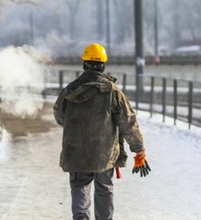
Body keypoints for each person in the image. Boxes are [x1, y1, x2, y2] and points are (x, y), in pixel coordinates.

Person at [54, 43, 151, 220]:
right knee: (104, 190)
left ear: (84, 64)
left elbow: (60, 117)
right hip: (104, 153)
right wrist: (139, 150)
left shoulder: (70, 89)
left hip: (76, 151)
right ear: (103, 65)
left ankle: (81, 217)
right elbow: (128, 122)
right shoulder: (112, 91)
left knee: (79, 186)